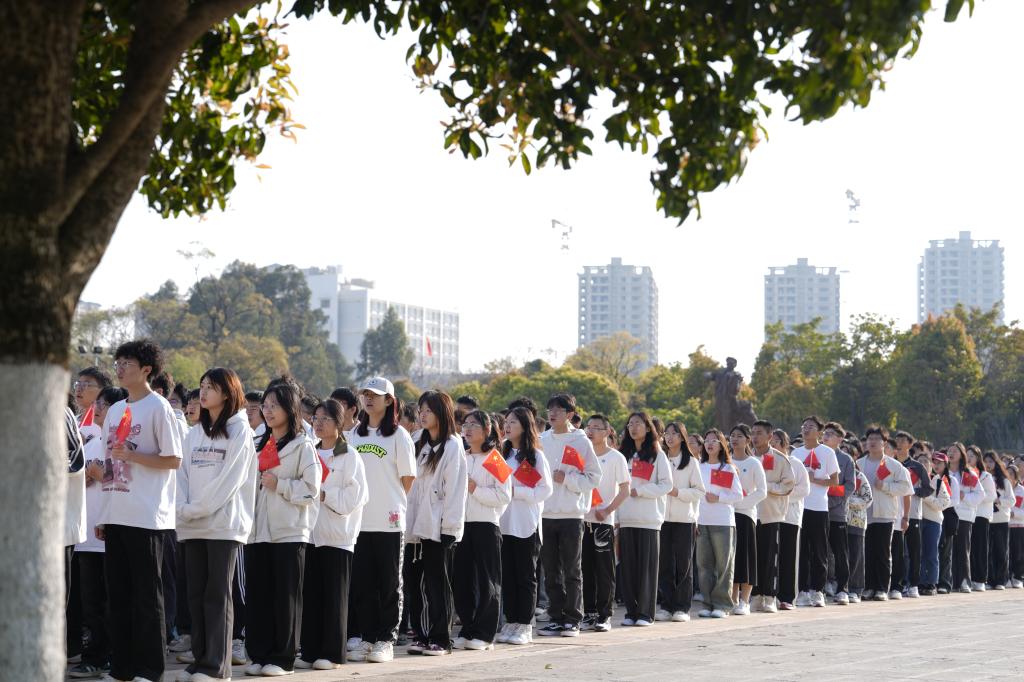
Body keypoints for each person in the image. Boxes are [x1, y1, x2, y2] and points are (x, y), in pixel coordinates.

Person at [97, 339, 183, 682]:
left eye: (127, 363)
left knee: (148, 598)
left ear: (146, 369)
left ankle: (150, 669)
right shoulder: (116, 410)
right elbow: (108, 461)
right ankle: (122, 669)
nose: (119, 369)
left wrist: (133, 456)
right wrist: (104, 512)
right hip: (116, 513)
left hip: (147, 517)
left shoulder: (158, 407)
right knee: (117, 597)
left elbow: (173, 459)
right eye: (117, 363)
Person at [175, 368, 257, 682]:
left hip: (223, 524)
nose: (203, 392)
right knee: (195, 595)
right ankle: (200, 661)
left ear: (227, 392)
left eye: (211, 387)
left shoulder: (240, 431)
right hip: (192, 524)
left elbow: (229, 481)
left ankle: (217, 667)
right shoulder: (194, 433)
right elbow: (181, 475)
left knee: (217, 595)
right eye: (202, 385)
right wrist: (183, 508)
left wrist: (195, 508)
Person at [243, 382, 320, 677]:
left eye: (274, 405)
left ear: (290, 409)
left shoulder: (303, 446)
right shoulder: (258, 444)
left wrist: (281, 485)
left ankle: (283, 658)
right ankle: (259, 654)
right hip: (258, 531)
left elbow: (312, 489)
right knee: (259, 595)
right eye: (265, 405)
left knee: (285, 597)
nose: (268, 410)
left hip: (289, 531)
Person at [346, 377, 416, 664]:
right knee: (363, 584)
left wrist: (390, 502)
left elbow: (408, 478)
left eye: (375, 395)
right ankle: (367, 637)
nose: (368, 399)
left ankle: (386, 639)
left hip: (389, 521)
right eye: (365, 394)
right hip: (359, 521)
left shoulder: (399, 435)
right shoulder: (354, 434)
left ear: (389, 400)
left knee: (389, 583)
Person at [297, 399, 368, 671]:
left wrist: (327, 495)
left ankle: (332, 653)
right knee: (312, 595)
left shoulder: (349, 455)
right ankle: (310, 650)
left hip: (338, 536)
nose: (318, 423)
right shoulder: (311, 453)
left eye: (325, 418)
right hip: (311, 533)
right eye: (315, 418)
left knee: (335, 597)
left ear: (339, 423)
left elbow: (357, 496)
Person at [68, 386, 126, 680]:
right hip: (87, 538)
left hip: (113, 534)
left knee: (113, 603)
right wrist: (87, 478)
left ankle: (115, 657)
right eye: (99, 403)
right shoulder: (90, 445)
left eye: (105, 403)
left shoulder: (122, 443)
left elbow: (127, 479)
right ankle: (94, 657)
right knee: (90, 605)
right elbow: (74, 477)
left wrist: (99, 474)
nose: (99, 407)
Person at [405, 391, 467, 656]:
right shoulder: (416, 440)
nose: (423, 415)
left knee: (437, 583)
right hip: (413, 522)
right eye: (421, 410)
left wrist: (450, 527)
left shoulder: (452, 445)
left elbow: (456, 489)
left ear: (442, 413)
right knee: (413, 582)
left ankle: (441, 638)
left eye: (428, 410)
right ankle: (420, 634)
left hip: (437, 524)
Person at [537, 394, 601, 638]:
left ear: (570, 414)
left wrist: (568, 479)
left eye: (558, 410)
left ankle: (573, 619)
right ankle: (556, 617)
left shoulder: (580, 441)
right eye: (550, 409)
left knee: (572, 569)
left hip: (572, 514)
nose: (552, 414)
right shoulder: (542, 440)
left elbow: (594, 477)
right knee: (551, 570)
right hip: (546, 513)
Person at [453, 410, 511, 650]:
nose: (467, 429)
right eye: (465, 424)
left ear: (487, 430)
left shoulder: (495, 459)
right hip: (461, 525)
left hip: (486, 525)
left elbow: (504, 495)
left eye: (473, 425)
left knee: (488, 581)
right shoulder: (461, 457)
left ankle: (485, 634)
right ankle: (467, 628)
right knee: (462, 580)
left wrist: (475, 489)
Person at [496, 407, 551, 646]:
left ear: (525, 426)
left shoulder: (536, 456)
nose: (507, 426)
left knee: (526, 577)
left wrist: (516, 492)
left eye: (513, 422)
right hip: (504, 522)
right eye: (506, 422)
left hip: (526, 524)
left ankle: (525, 625)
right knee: (508, 576)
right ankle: (511, 621)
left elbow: (545, 490)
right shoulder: (502, 452)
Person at [616, 412, 673, 627]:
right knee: (628, 569)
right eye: (630, 424)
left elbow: (666, 485)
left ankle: (645, 613)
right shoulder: (623, 455)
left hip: (648, 519)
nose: (633, 427)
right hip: (626, 518)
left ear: (648, 428)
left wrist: (641, 491)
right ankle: (631, 612)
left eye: (638, 423)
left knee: (647, 569)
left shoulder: (657, 454)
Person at [579, 414, 629, 631]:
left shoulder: (616, 457)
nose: (590, 431)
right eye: (588, 427)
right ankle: (589, 613)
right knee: (585, 568)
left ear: (607, 432)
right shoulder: (582, 455)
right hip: (582, 519)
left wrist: (607, 510)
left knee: (604, 569)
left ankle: (604, 614)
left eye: (596, 428)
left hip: (603, 522)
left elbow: (625, 490)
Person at [657, 422, 705, 622]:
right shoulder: (660, 458)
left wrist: (678, 493)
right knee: (665, 564)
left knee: (684, 565)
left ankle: (682, 607)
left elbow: (699, 491)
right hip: (662, 519)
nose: (669, 437)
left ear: (682, 437)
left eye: (674, 433)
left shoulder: (691, 462)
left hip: (685, 519)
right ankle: (666, 606)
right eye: (667, 433)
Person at [791, 416, 841, 608]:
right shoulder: (796, 453)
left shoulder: (827, 452)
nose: (806, 429)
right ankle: (802, 591)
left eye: (810, 426)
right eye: (804, 426)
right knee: (802, 551)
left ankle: (817, 590)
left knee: (819, 551)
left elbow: (835, 481)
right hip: (799, 508)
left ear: (819, 432)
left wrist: (815, 480)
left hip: (819, 507)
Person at [860, 425, 913, 602]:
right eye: (870, 439)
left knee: (883, 553)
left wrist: (885, 486)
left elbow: (906, 488)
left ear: (884, 443)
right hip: (863, 515)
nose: (873, 442)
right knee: (867, 552)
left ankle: (882, 588)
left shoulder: (893, 465)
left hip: (885, 514)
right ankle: (869, 587)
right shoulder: (859, 464)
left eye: (877, 439)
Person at [695, 429, 744, 618]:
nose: (709, 444)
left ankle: (722, 605)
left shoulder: (728, 468)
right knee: (704, 566)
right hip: (702, 521)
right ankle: (707, 603)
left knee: (724, 565)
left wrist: (719, 497)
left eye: (714, 441)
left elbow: (738, 495)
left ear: (722, 445)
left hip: (723, 522)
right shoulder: (699, 467)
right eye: (707, 440)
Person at [749, 420, 794, 613]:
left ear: (770, 436)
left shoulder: (780, 459)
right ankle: (755, 596)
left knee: (770, 557)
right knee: (753, 557)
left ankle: (769, 596)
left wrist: (765, 487)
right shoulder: (746, 457)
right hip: (749, 513)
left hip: (770, 514)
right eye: (753, 433)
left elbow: (788, 485)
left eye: (759, 433)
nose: (755, 437)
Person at [728, 424, 766, 615]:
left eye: (739, 436)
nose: (734, 439)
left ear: (747, 440)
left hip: (745, 515)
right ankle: (733, 598)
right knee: (732, 558)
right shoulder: (725, 461)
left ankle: (745, 600)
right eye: (732, 436)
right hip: (727, 515)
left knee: (745, 557)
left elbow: (762, 491)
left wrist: (741, 503)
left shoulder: (753, 463)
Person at [821, 422, 855, 605]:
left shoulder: (846, 459)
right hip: (816, 511)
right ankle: (820, 586)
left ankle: (843, 589)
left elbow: (849, 486)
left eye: (831, 434)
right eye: (825, 433)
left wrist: (831, 501)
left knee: (840, 552)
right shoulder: (816, 454)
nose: (826, 436)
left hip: (837, 513)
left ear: (840, 439)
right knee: (819, 552)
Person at [775, 429, 808, 611]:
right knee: (771, 558)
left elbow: (804, 489)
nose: (771, 445)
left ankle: (787, 597)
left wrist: (782, 493)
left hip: (790, 516)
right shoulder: (766, 462)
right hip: (770, 515)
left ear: (785, 444)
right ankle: (769, 595)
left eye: (775, 441)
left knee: (789, 557)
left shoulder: (795, 463)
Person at [949, 443, 983, 592]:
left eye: (955, 451)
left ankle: (964, 581)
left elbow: (980, 495)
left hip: (963, 516)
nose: (951, 453)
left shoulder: (968, 473)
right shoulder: (943, 471)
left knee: (963, 550)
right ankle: (950, 581)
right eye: (949, 451)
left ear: (961, 455)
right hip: (947, 514)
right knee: (948, 550)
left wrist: (965, 497)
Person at [918, 450, 951, 596]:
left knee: (931, 554)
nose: (922, 464)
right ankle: (918, 582)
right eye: (919, 461)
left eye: (925, 461)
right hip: (917, 520)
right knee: (917, 554)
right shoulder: (912, 479)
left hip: (933, 522)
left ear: (930, 465)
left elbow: (944, 503)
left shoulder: (937, 481)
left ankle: (931, 583)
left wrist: (926, 497)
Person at [846, 445, 873, 603]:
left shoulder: (859, 476)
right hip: (836, 520)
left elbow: (867, 499)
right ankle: (840, 586)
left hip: (856, 521)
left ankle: (855, 589)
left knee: (856, 556)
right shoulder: (834, 476)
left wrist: (846, 501)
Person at [984, 451, 1015, 590]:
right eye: (986, 461)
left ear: (996, 463)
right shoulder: (982, 478)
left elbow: (1012, 500)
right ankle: (990, 580)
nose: (988, 464)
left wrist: (999, 500)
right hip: (987, 518)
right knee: (988, 551)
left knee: (1001, 551)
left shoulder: (1004, 480)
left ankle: (1001, 580)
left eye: (991, 461)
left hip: (1001, 519)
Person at [968, 446, 997, 591]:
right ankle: (969, 577)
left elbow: (992, 496)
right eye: (967, 455)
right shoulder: (965, 474)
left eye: (972, 456)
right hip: (968, 515)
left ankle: (980, 579)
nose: (969, 459)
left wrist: (976, 496)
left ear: (978, 458)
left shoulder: (985, 476)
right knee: (970, 548)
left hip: (981, 515)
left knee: (980, 548)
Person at [1008, 465, 1024, 589]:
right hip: (1005, 525)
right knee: (1006, 553)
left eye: (1011, 474)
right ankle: (1007, 577)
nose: (1009, 476)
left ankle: (1018, 577)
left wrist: (1014, 514)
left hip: (1019, 526)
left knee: (1018, 553)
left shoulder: (1021, 490)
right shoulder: (1002, 488)